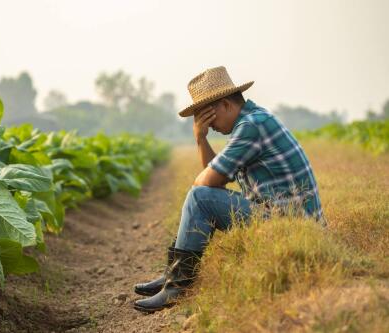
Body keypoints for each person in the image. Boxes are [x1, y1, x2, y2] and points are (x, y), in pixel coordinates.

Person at [133, 66, 326, 313]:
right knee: (202, 197)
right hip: (289, 219)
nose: (207, 124)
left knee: (199, 197)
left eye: (206, 116)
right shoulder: (253, 120)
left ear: (224, 105)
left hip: (292, 226)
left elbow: (207, 182)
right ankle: (174, 276)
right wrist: (201, 139)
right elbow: (218, 177)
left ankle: (177, 286)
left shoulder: (251, 126)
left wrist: (204, 172)